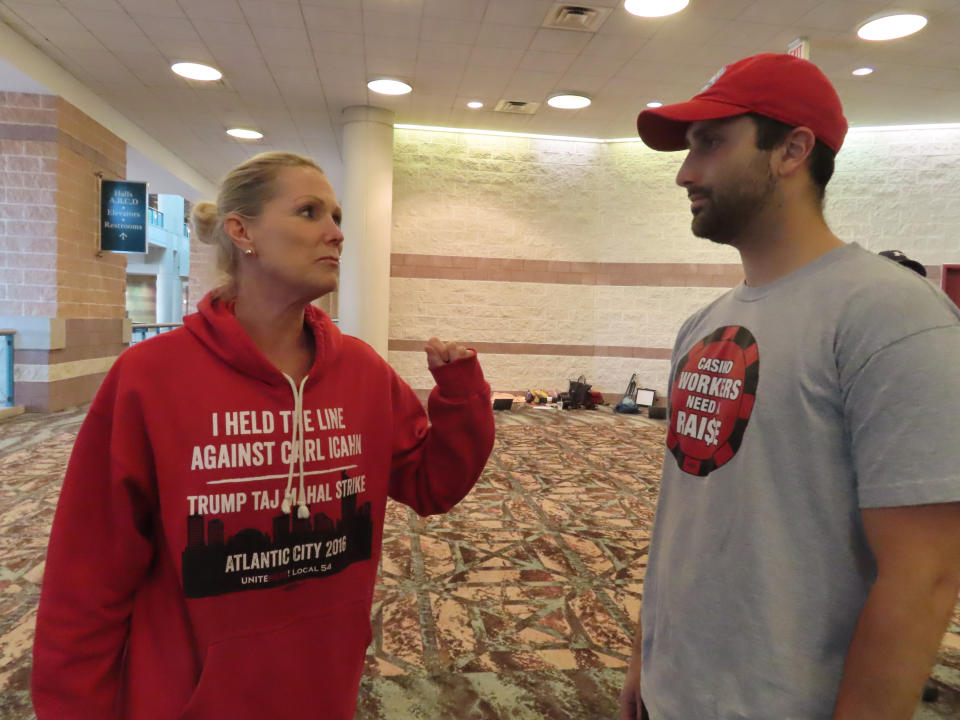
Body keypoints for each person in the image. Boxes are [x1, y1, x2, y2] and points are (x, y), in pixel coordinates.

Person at [31, 151, 496, 719]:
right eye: (309, 212)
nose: (337, 233)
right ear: (241, 230)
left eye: (337, 216)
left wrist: (460, 396)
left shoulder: (361, 371)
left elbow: (433, 485)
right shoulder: (151, 376)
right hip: (187, 696)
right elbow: (88, 572)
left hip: (324, 684)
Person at [620, 53, 960, 720]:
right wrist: (647, 651)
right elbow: (686, 515)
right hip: (675, 690)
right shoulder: (703, 325)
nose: (686, 172)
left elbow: (926, 577)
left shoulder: (893, 316)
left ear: (792, 150)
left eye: (711, 143)